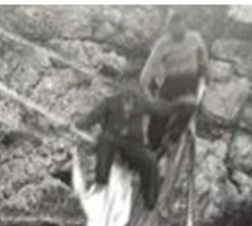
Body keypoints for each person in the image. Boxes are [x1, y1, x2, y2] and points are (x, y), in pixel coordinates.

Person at [75, 78, 169, 208]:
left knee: (150, 160)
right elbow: (93, 116)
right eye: (126, 88)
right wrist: (79, 124)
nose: (129, 94)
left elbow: (158, 109)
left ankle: (150, 200)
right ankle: (101, 180)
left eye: (132, 89)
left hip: (132, 145)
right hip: (112, 140)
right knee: (105, 139)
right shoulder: (110, 102)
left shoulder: (141, 102)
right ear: (121, 88)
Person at [139, 11, 209, 152]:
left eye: (181, 26)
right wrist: (146, 91)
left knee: (188, 106)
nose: (178, 30)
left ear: (185, 25)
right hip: (171, 84)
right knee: (158, 117)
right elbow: (149, 68)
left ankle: (171, 139)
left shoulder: (195, 38)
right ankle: (152, 150)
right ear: (169, 29)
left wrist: (205, 78)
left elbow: (204, 60)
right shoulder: (163, 44)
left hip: (190, 84)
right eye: (174, 28)